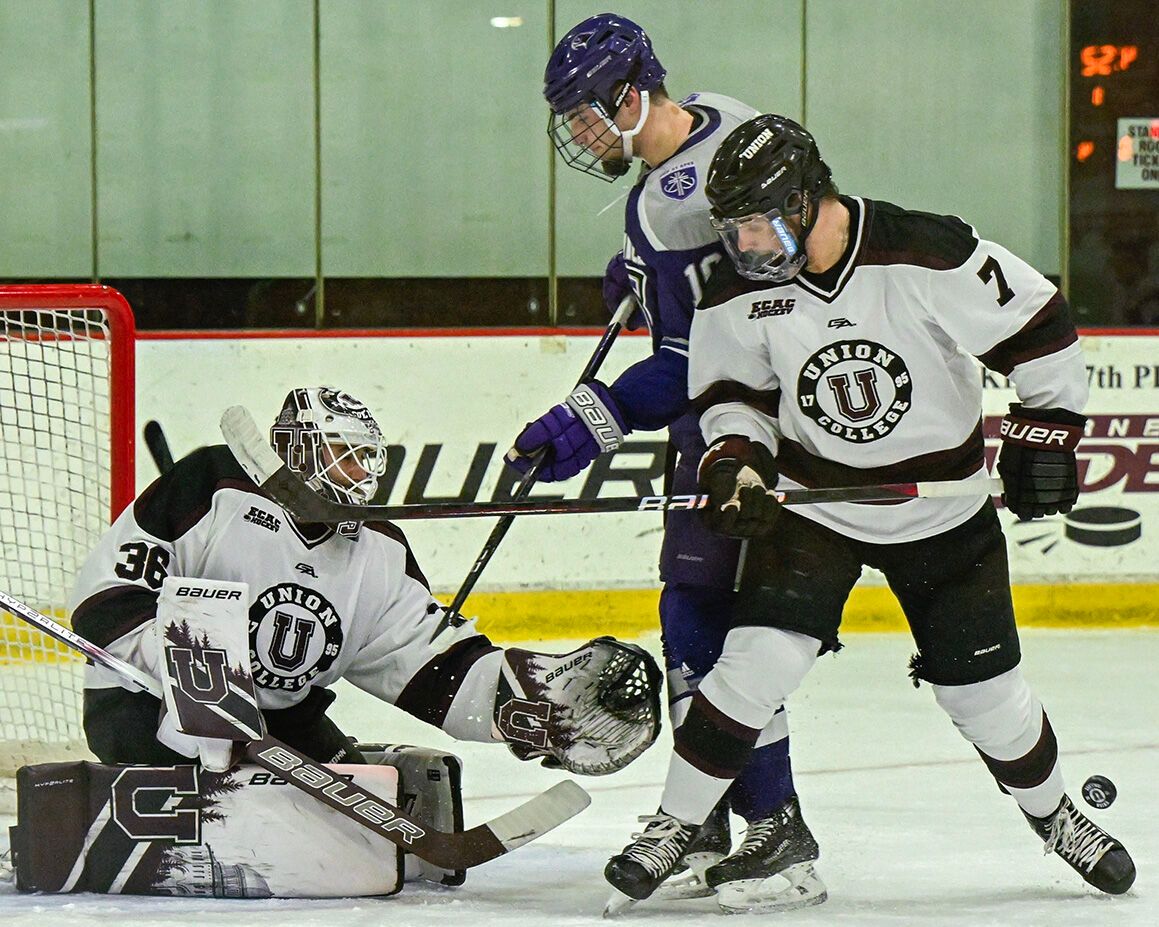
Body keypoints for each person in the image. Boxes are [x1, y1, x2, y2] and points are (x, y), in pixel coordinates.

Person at [604, 112, 1137, 908]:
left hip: (943, 515)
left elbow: (1039, 325)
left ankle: (1056, 813)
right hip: (818, 508)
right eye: (732, 229)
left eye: (756, 224)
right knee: (754, 661)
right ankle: (675, 823)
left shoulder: (923, 249)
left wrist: (1045, 432)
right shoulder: (738, 288)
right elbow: (732, 398)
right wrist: (737, 462)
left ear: (803, 199)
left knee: (984, 700)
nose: (744, 245)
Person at [505, 13, 824, 915]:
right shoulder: (726, 115)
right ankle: (711, 817)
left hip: (747, 429)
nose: (577, 135)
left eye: (583, 114)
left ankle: (775, 826)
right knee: (692, 618)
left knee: (714, 628)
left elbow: (695, 359)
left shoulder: (662, 207)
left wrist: (589, 419)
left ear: (627, 94)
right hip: (744, 418)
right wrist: (645, 275)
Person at [70, 386, 661, 780]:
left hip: (280, 722)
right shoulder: (212, 485)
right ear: (296, 449)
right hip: (144, 706)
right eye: (342, 454)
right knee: (272, 807)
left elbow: (429, 665)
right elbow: (106, 599)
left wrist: (525, 697)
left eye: (364, 459)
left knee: (373, 813)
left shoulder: (378, 549)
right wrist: (198, 687)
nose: (358, 473)